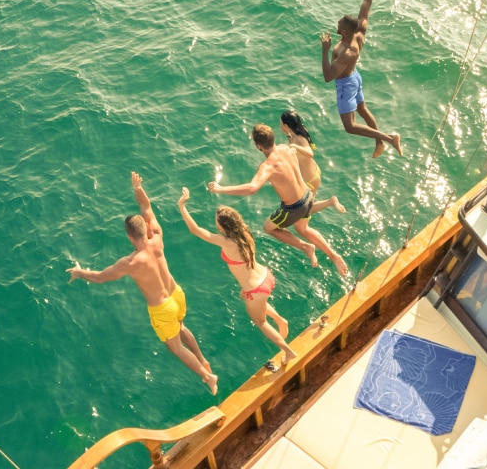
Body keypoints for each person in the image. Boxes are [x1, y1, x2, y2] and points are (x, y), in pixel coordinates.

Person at [67, 172, 218, 395]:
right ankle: (203, 359)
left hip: (162, 308)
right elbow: (146, 209)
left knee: (175, 348)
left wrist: (79, 273)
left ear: (129, 236)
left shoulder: (130, 262)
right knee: (182, 327)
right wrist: (138, 189)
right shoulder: (157, 236)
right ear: (145, 229)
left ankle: (207, 376)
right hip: (176, 293)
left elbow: (99, 277)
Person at [177, 187, 297, 371]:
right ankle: (281, 321)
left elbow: (195, 230)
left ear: (223, 226)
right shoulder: (245, 233)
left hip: (256, 289)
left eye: (217, 221)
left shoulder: (226, 242)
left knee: (261, 323)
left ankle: (288, 351)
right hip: (265, 276)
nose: (215, 223)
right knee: (246, 296)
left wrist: (182, 205)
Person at [207, 124, 349, 277]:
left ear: (259, 146)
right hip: (308, 196)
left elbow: (252, 188)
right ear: (273, 138)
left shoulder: (267, 166)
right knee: (303, 229)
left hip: (294, 207)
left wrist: (221, 188)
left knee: (269, 227)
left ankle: (306, 247)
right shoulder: (285, 148)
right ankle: (334, 256)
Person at [320, 0, 403, 159]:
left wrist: (324, 50)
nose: (337, 26)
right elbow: (367, 2)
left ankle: (390, 138)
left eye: (339, 26)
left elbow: (329, 76)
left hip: (346, 84)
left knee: (350, 126)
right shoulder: (360, 31)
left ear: (345, 32)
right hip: (355, 77)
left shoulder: (347, 52)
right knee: (363, 110)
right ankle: (379, 143)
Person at [279, 110, 345, 214]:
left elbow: (310, 153)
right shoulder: (297, 132)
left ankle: (331, 202)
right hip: (313, 174)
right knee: (307, 208)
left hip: (309, 180)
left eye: (281, 124)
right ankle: (330, 202)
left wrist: (294, 146)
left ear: (286, 126)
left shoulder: (298, 138)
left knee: (306, 210)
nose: (280, 126)